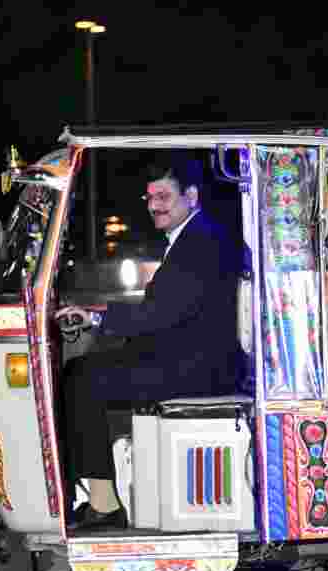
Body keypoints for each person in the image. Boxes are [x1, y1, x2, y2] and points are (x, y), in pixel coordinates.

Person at [55, 155, 244, 532]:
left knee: (83, 377)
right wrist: (98, 312)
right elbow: (162, 308)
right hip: (185, 353)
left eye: (163, 196)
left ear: (191, 196)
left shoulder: (202, 241)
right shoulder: (193, 236)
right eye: (149, 197)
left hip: (195, 366)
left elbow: (161, 314)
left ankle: (104, 504)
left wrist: (98, 318)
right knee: (89, 366)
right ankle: (92, 490)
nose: (155, 205)